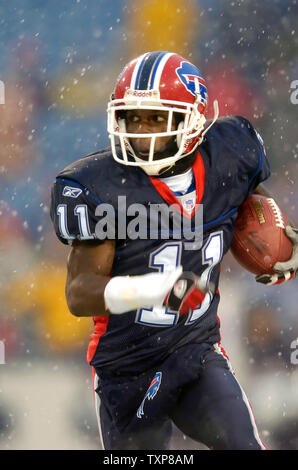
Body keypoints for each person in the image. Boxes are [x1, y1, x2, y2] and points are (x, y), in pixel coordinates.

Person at [50, 51, 298, 450]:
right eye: (132, 118)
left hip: (196, 353)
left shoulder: (230, 155)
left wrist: (279, 239)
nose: (141, 130)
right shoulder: (100, 186)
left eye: (155, 118)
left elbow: (249, 198)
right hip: (125, 370)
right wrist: (153, 289)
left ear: (192, 120)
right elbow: (78, 293)